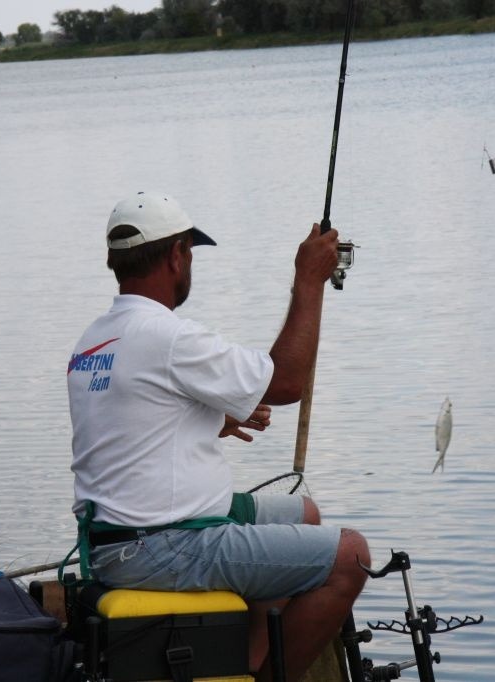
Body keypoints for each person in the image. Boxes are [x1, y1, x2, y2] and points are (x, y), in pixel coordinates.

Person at [67, 191, 369, 681]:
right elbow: (287, 381)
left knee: (306, 514)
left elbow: (126, 422)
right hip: (163, 546)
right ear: (176, 255)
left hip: (116, 538)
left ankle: (242, 664)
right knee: (351, 556)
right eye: (189, 253)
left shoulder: (95, 340)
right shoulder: (168, 336)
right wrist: (308, 281)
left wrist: (212, 421)